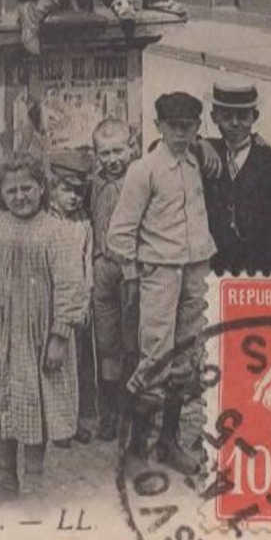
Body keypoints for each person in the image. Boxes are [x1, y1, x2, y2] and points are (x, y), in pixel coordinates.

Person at [0, 150, 88, 504]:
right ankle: (4, 479)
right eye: (12, 191)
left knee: (32, 404)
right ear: (1, 194)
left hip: (38, 335)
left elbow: (70, 285)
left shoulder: (56, 231)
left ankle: (32, 482)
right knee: (0, 399)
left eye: (27, 188)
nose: (20, 197)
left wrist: (60, 335)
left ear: (43, 189)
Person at [106, 92, 215, 476]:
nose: (182, 134)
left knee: (185, 358)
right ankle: (136, 449)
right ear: (159, 127)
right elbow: (118, 233)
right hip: (159, 272)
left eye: (190, 127)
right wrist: (135, 273)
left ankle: (168, 442)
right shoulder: (144, 170)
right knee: (155, 359)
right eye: (174, 127)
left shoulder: (196, 161)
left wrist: (202, 146)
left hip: (195, 267)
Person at [202, 80, 271, 276]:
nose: (234, 123)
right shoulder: (206, 155)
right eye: (226, 116)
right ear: (214, 117)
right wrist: (198, 143)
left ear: (254, 116)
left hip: (263, 268)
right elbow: (164, 147)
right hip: (220, 267)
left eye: (242, 116)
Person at [88, 117, 140, 441]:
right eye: (104, 153)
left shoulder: (140, 179)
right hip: (103, 266)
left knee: (131, 339)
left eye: (117, 151)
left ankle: (129, 412)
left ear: (131, 148)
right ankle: (108, 411)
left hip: (131, 268)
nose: (112, 160)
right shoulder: (95, 181)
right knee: (106, 341)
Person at [49, 149, 96, 445]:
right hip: (52, 304)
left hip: (77, 303)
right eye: (67, 189)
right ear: (52, 189)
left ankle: (73, 420)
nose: (74, 198)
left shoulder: (83, 224)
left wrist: (88, 297)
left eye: (79, 191)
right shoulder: (46, 223)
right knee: (54, 364)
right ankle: (55, 424)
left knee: (77, 365)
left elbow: (86, 262)